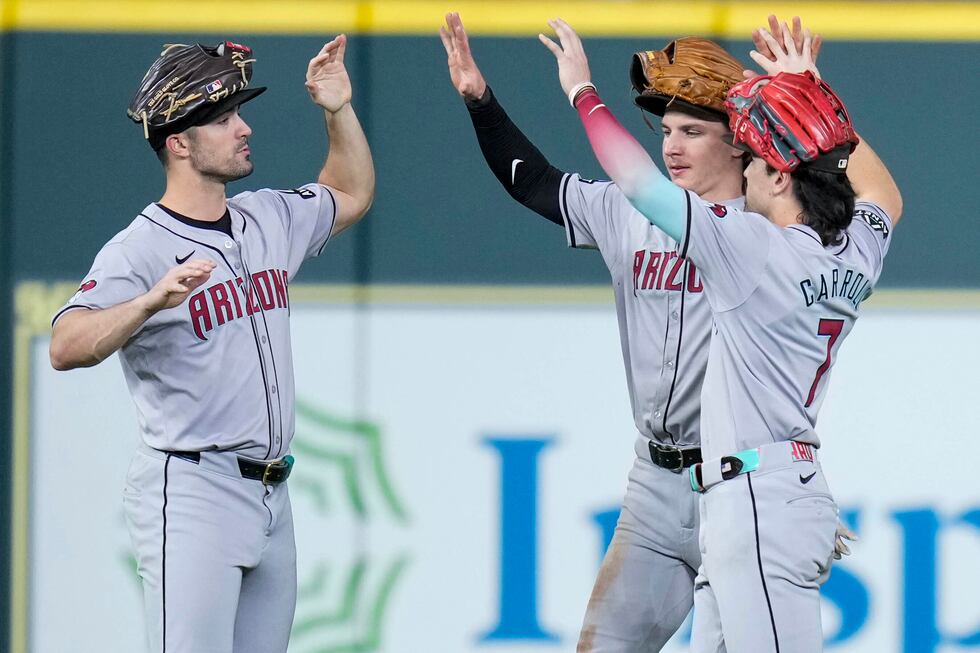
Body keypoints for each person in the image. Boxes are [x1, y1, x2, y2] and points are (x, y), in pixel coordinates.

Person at [441, 12, 850, 652]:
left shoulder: (768, 232)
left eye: (693, 130)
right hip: (659, 485)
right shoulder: (629, 214)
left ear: (742, 142)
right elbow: (534, 183)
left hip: (742, 487)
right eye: (664, 131)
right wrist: (480, 102)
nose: (672, 146)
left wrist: (788, 492)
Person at [539, 15, 902, 652]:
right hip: (774, 488)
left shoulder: (750, 247)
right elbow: (883, 194)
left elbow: (638, 182)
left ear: (783, 177)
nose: (748, 171)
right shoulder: (850, 250)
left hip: (756, 499)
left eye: (759, 161)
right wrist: (810, 90)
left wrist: (582, 93)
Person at [49, 37, 374, 653]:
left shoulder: (265, 217)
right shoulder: (139, 249)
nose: (243, 128)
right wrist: (146, 303)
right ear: (179, 143)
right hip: (193, 491)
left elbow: (351, 193)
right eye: (223, 120)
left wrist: (337, 110)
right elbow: (66, 344)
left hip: (273, 495)